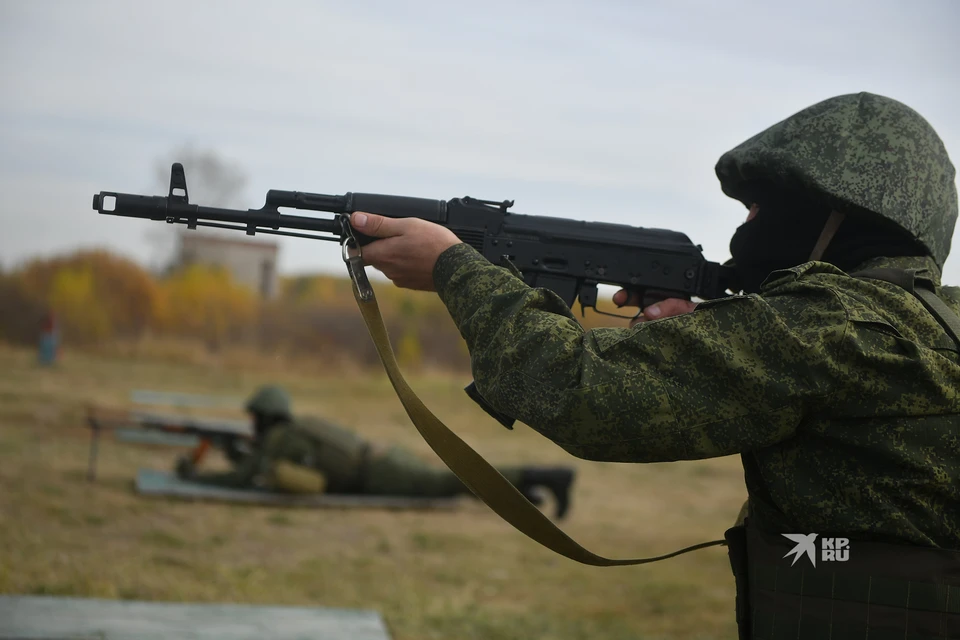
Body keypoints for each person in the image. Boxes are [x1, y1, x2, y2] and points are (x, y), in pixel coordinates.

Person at [347, 92, 960, 638]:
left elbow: (581, 394)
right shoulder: (932, 320)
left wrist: (456, 269)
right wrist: (718, 333)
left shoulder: (821, 324)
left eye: (761, 208)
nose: (746, 227)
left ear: (838, 214)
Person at [175, 385, 577, 519]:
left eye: (255, 419)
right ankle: (530, 488)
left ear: (264, 417)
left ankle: (541, 477)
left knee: (453, 482)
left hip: (380, 473)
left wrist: (198, 477)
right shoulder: (296, 428)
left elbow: (246, 480)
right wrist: (235, 453)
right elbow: (259, 468)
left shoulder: (282, 439)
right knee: (453, 481)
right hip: (382, 458)